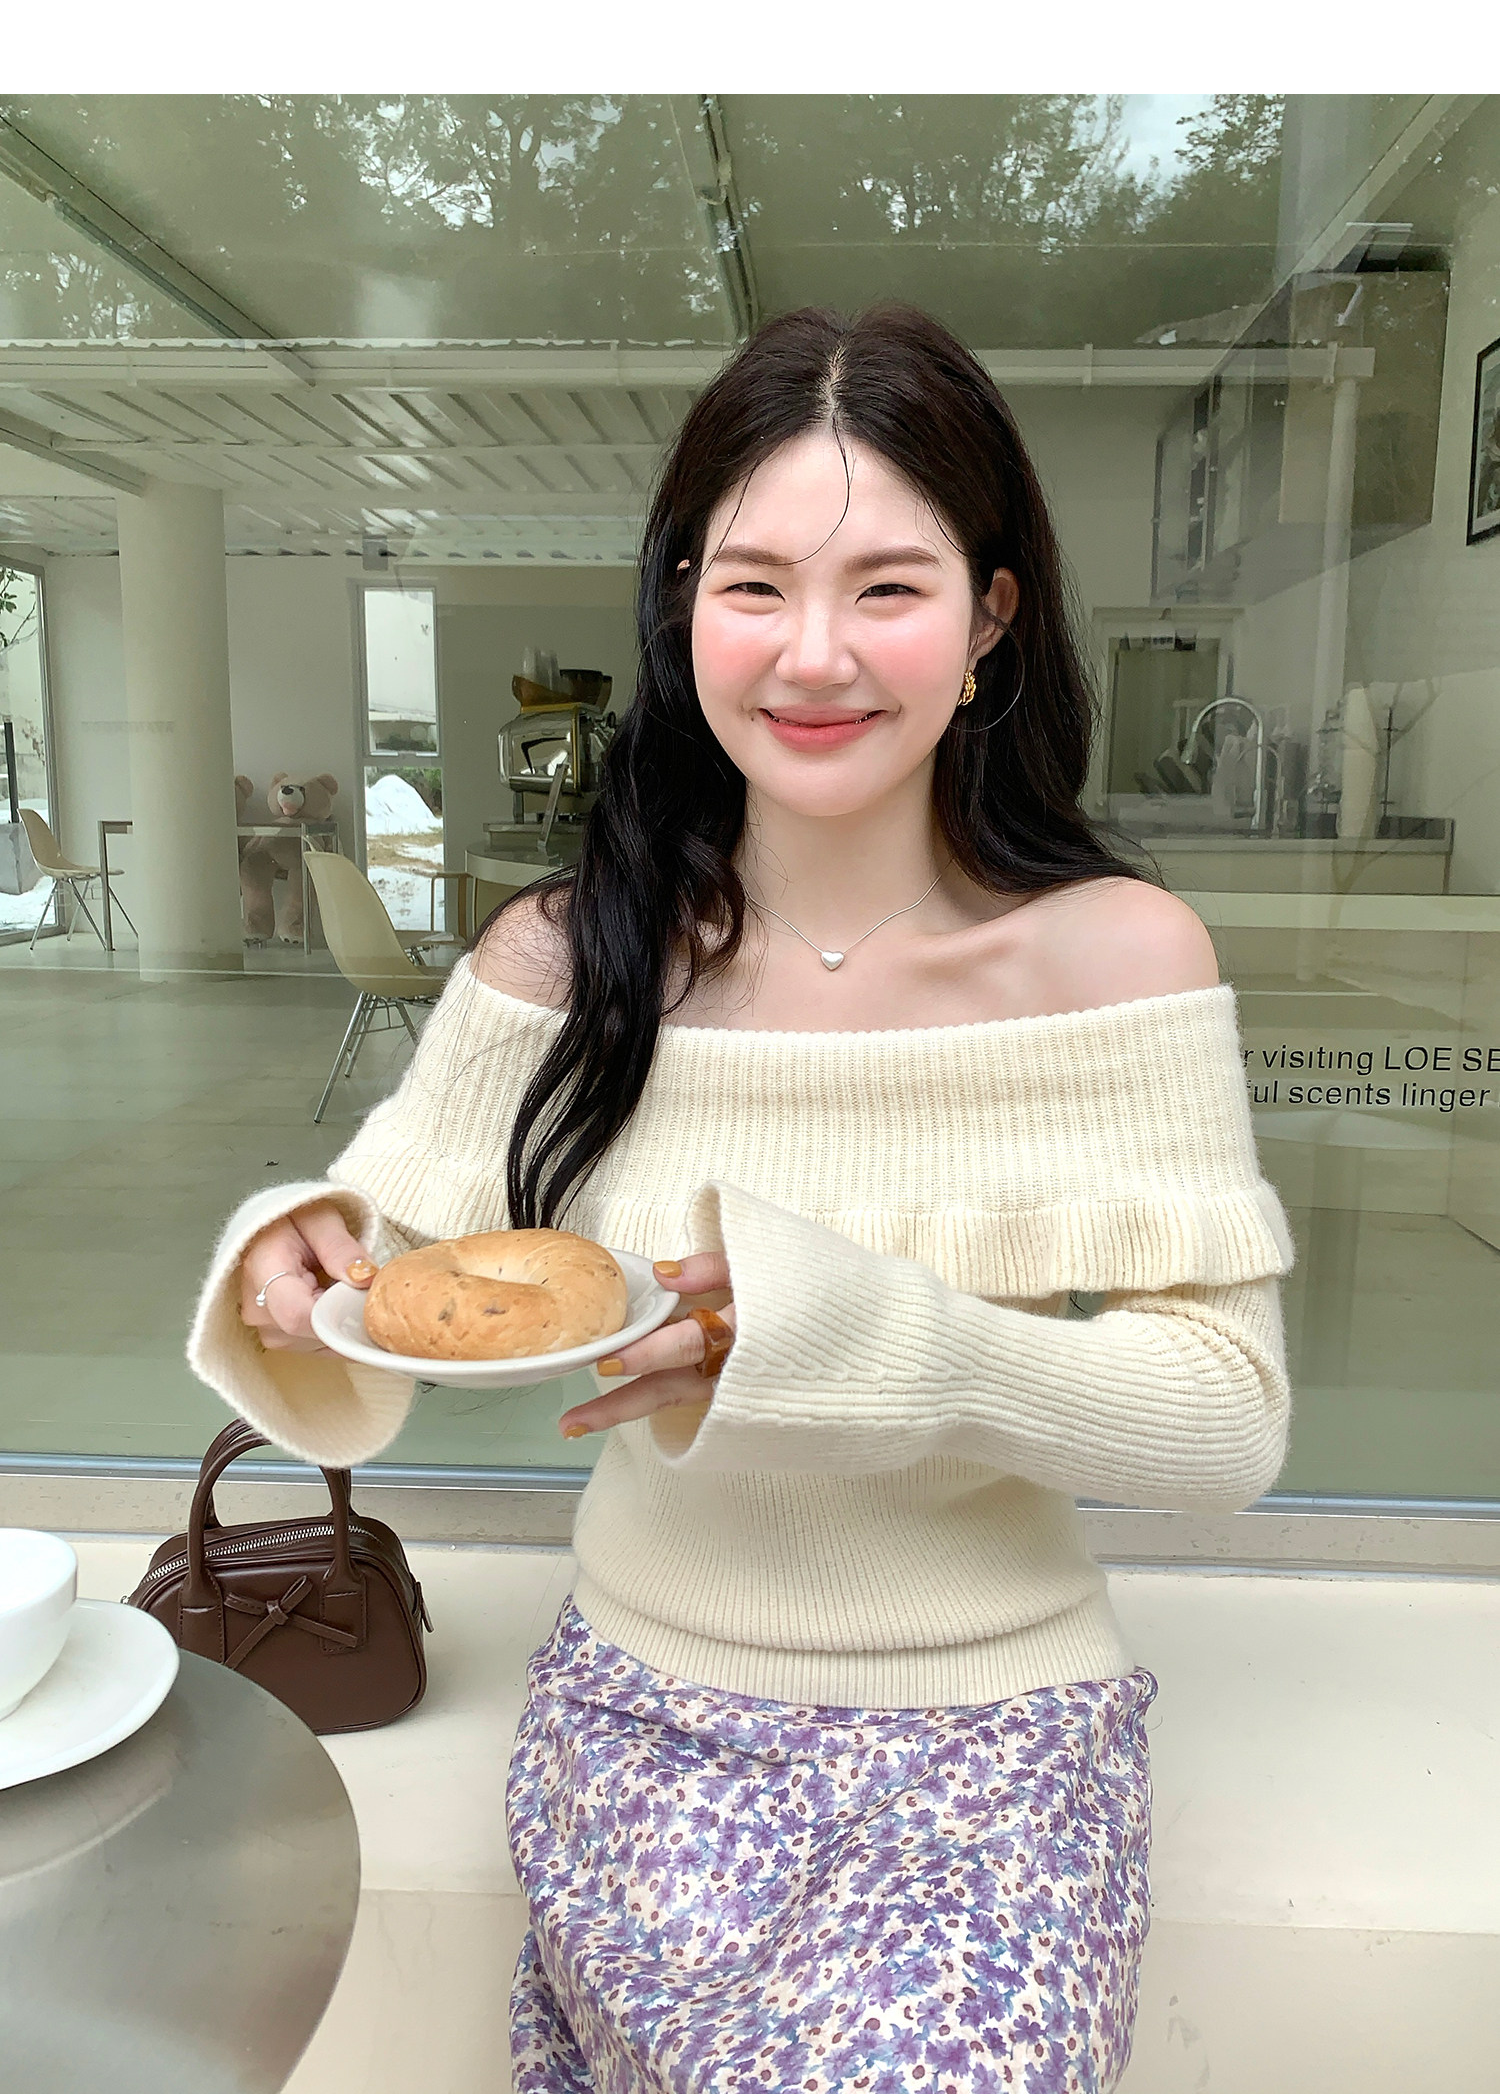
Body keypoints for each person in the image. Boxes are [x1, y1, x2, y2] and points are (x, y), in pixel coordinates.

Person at [190, 302, 1295, 2093]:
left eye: (889, 586)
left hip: (992, 1738)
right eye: (755, 584)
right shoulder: (565, 957)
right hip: (647, 1713)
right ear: (683, 603)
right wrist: (296, 1255)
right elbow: (375, 1286)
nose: (814, 653)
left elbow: (1227, 1422)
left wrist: (865, 1341)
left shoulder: (1116, 959)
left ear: (991, 617)